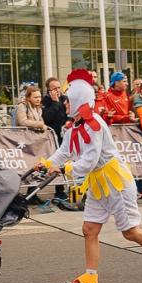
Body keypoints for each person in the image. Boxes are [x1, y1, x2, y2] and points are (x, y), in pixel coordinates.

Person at [37, 69, 142, 283]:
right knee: (89, 229)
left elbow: (90, 161)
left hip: (116, 182)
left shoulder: (95, 125)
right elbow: (64, 152)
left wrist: (63, 169)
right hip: (98, 183)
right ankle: (90, 278)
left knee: (130, 232)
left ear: (78, 101)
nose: (64, 105)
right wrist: (45, 164)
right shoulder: (74, 125)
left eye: (67, 101)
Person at [41, 78, 80, 210]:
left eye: (59, 87)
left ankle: (69, 190)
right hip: (52, 136)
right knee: (54, 162)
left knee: (67, 160)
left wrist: (68, 123)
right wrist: (56, 103)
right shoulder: (46, 101)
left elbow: (70, 113)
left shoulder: (65, 98)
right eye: (54, 88)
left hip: (65, 134)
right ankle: (57, 189)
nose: (57, 91)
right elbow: (47, 118)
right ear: (49, 90)